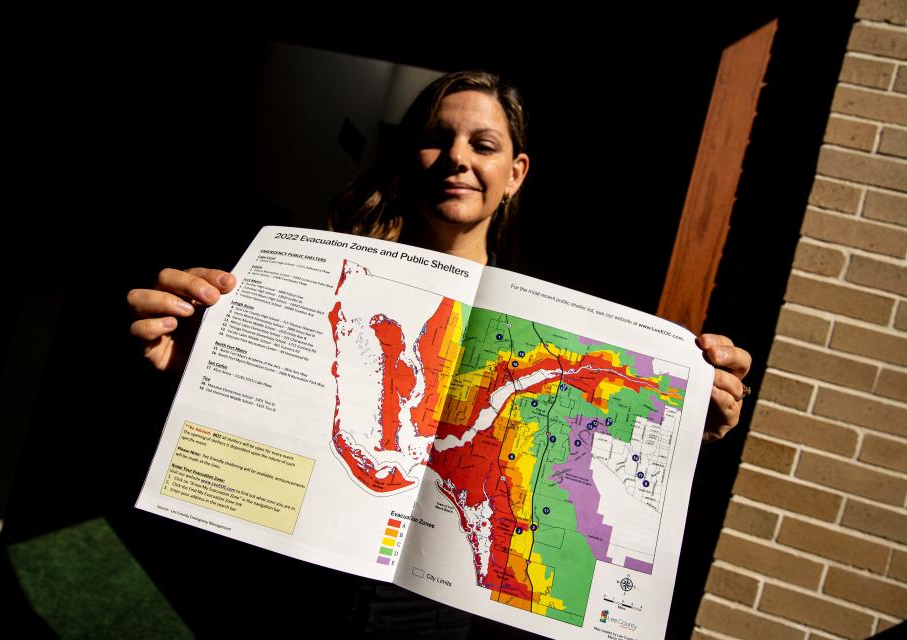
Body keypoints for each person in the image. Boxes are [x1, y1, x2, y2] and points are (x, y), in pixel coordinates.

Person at [127, 69, 751, 637]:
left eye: (483, 144)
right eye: (437, 138)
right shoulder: (322, 282)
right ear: (408, 160)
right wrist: (196, 372)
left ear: (516, 174)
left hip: (438, 620)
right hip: (290, 592)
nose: (456, 157)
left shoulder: (548, 335)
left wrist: (685, 421)